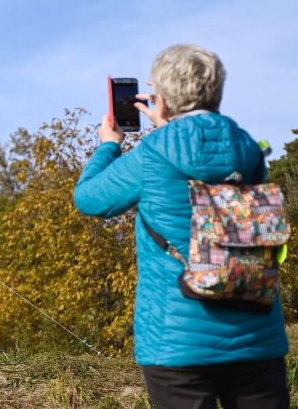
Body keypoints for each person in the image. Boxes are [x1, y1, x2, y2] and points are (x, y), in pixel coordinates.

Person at [74, 44, 289, 408]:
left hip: (176, 340)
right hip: (256, 334)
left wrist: (109, 145)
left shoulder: (155, 151)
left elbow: (90, 198)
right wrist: (170, 125)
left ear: (162, 97)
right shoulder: (248, 147)